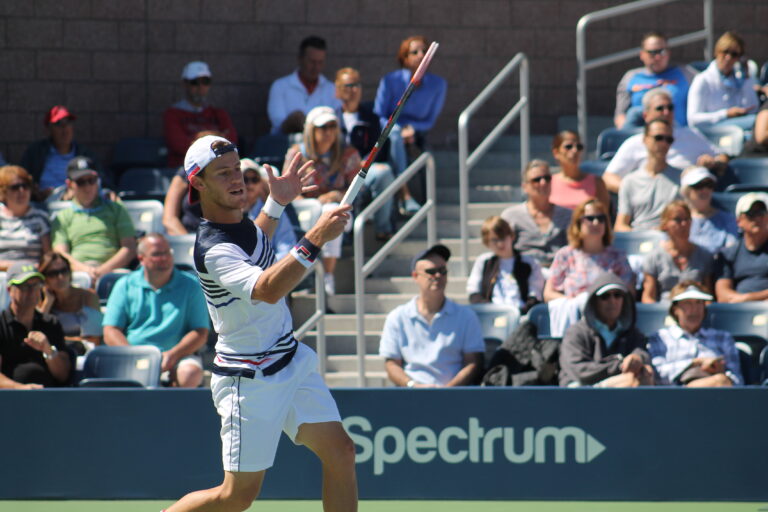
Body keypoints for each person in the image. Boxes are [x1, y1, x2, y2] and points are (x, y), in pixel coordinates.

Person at [164, 135, 355, 511]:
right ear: (198, 183)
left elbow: (257, 239)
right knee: (236, 496)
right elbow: (267, 289)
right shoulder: (214, 249)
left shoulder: (240, 226)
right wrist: (316, 237)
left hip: (290, 359)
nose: (236, 178)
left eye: (237, 168)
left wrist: (277, 202)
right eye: (223, 173)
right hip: (248, 379)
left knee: (342, 452)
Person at [285, 106, 393, 294]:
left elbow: (356, 189)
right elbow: (287, 191)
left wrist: (337, 196)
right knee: (328, 212)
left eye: (332, 126)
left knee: (332, 212)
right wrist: (319, 201)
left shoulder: (348, 154)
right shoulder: (296, 154)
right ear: (310, 130)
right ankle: (314, 276)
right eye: (322, 127)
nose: (328, 132)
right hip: (305, 209)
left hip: (339, 209)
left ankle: (327, 275)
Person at [102, 233, 209, 388]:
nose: (164, 258)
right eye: (157, 254)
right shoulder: (124, 285)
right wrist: (134, 356)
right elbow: (110, 331)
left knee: (190, 373)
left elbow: (200, 332)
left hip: (177, 356)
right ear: (141, 259)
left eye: (167, 252)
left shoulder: (191, 285)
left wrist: (173, 355)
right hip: (131, 355)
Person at [379, 244, 485, 387]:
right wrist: (413, 386)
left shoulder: (466, 316)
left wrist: (448, 390)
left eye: (442, 271)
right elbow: (391, 364)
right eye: (431, 271)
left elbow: (473, 362)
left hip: (455, 396)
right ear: (415, 276)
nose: (438, 276)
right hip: (411, 396)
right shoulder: (397, 317)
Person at [604, 88, 731, 194]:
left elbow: (722, 156)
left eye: (670, 108)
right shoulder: (634, 143)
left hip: (685, 202)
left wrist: (713, 162)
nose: (666, 112)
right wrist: (636, 193)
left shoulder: (691, 135)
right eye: (660, 108)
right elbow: (609, 177)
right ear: (645, 115)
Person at [374, 35, 447, 212]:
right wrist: (397, 129)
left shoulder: (438, 84)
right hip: (390, 131)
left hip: (418, 133)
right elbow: (380, 114)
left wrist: (413, 129)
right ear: (404, 58)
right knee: (396, 135)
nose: (421, 55)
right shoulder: (390, 81)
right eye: (415, 52)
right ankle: (405, 194)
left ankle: (418, 200)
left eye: (424, 51)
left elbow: (429, 120)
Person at [559, 272, 654, 387]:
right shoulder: (576, 332)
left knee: (645, 374)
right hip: (579, 390)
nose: (612, 301)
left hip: (620, 386)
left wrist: (637, 359)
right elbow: (579, 371)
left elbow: (642, 352)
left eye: (617, 295)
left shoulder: (632, 333)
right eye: (605, 296)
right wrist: (620, 365)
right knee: (632, 380)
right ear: (594, 301)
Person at [50, 156, 137, 282]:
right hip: (77, 274)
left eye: (91, 180)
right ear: (69, 184)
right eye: (81, 182)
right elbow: (60, 254)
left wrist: (102, 271)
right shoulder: (62, 217)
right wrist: (85, 271)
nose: (87, 187)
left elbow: (129, 247)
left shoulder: (116, 209)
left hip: (113, 271)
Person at [335, 66, 396, 237]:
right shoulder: (331, 119)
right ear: (337, 90)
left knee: (384, 172)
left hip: (363, 170)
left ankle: (383, 228)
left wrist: (363, 164)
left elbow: (380, 148)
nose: (354, 90)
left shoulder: (371, 117)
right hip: (337, 171)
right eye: (348, 85)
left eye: (357, 85)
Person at [647, 281, 742, 387]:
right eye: (687, 303)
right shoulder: (660, 338)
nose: (695, 309)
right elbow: (656, 376)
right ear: (675, 309)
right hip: (675, 394)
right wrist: (695, 363)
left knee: (721, 381)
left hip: (717, 393)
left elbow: (737, 380)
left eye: (699, 302)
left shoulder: (723, 338)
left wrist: (720, 370)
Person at [545, 199, 635, 302]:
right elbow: (548, 294)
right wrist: (574, 303)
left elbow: (629, 294)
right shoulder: (565, 255)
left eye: (601, 218)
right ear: (578, 223)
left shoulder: (618, 256)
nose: (596, 222)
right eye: (590, 218)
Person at [0, 262, 70, 389]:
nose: (32, 291)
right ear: (10, 290)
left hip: (49, 396)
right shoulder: (1, 324)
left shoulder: (51, 323)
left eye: (36, 285)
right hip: (9, 398)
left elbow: (63, 375)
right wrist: (19, 388)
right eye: (25, 286)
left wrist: (48, 351)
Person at [614, 31, 697, 129]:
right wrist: (626, 132)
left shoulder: (686, 74)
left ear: (669, 53)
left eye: (662, 51)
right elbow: (620, 115)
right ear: (642, 54)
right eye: (652, 53)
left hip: (678, 133)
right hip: (640, 133)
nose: (658, 57)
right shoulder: (631, 77)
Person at [163, 61, 238, 167]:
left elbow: (231, 141)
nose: (200, 86)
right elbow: (179, 145)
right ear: (185, 84)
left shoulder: (219, 113)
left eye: (205, 81)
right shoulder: (172, 114)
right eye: (194, 82)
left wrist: (198, 137)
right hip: (185, 169)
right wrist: (217, 136)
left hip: (218, 167)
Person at [501, 160, 572, 269]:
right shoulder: (511, 217)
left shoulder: (568, 215)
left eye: (547, 178)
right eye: (536, 180)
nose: (543, 183)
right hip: (524, 273)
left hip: (562, 272)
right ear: (525, 187)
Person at [20, 105, 101, 199]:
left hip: (78, 201)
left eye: (68, 123)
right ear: (48, 129)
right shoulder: (35, 152)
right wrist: (35, 192)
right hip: (44, 203)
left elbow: (102, 180)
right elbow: (22, 180)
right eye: (58, 124)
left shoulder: (85, 153)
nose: (65, 129)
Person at [615, 118, 682, 231]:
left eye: (669, 140)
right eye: (658, 138)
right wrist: (642, 236)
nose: (664, 144)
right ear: (645, 140)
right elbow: (620, 225)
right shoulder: (630, 181)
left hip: (669, 237)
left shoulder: (681, 178)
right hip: (637, 238)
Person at [467, 216, 544, 313]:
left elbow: (535, 295)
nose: (500, 244)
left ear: (512, 236)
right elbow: (473, 291)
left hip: (521, 316)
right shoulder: (484, 262)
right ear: (487, 242)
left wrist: (519, 313)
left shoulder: (530, 263)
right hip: (491, 315)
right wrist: (489, 310)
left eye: (503, 238)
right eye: (494, 240)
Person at [641, 201, 714, 303]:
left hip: (695, 310)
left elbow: (708, 296)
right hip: (664, 309)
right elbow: (648, 297)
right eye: (677, 220)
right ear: (665, 224)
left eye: (687, 219)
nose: (684, 224)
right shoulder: (653, 258)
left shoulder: (704, 256)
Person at [687, 31, 760, 132]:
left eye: (734, 54)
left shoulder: (739, 79)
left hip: (738, 131)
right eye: (725, 52)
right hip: (711, 132)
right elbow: (693, 119)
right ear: (717, 52)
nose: (728, 58)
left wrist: (746, 77)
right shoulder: (703, 80)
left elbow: (753, 108)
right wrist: (726, 114)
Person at [267, 35, 341, 135]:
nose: (316, 67)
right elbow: (278, 125)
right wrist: (292, 122)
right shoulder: (280, 87)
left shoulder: (332, 89)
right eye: (312, 62)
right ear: (300, 59)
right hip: (285, 142)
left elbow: (338, 124)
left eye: (320, 62)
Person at [37, 252, 103, 354]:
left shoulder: (88, 297)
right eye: (53, 273)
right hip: (52, 354)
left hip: (85, 353)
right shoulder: (38, 299)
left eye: (64, 271)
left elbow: (95, 339)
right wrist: (48, 303)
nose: (60, 277)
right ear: (44, 278)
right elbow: (36, 334)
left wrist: (60, 340)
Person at [714, 192, 768, 303]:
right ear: (739, 221)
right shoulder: (728, 254)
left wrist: (746, 298)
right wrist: (749, 299)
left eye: (761, 213)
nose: (757, 218)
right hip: (739, 310)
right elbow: (723, 295)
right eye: (751, 214)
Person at [241, 158, 296, 260]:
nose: (250, 185)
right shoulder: (226, 213)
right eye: (245, 179)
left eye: (255, 179)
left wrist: (267, 265)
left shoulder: (275, 210)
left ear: (261, 183)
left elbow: (287, 249)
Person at [0, 165, 51, 271]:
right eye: (15, 187)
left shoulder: (41, 218)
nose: (21, 190)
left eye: (25, 186)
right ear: (3, 192)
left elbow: (48, 256)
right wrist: (13, 267)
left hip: (32, 274)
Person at [680, 166, 738, 255]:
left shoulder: (728, 219)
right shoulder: (677, 219)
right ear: (687, 191)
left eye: (709, 185)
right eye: (699, 185)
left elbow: (731, 251)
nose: (705, 190)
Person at [549, 130, 609, 209]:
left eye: (579, 147)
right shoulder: (546, 183)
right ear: (556, 152)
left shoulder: (597, 182)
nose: (575, 150)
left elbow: (604, 213)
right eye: (568, 146)